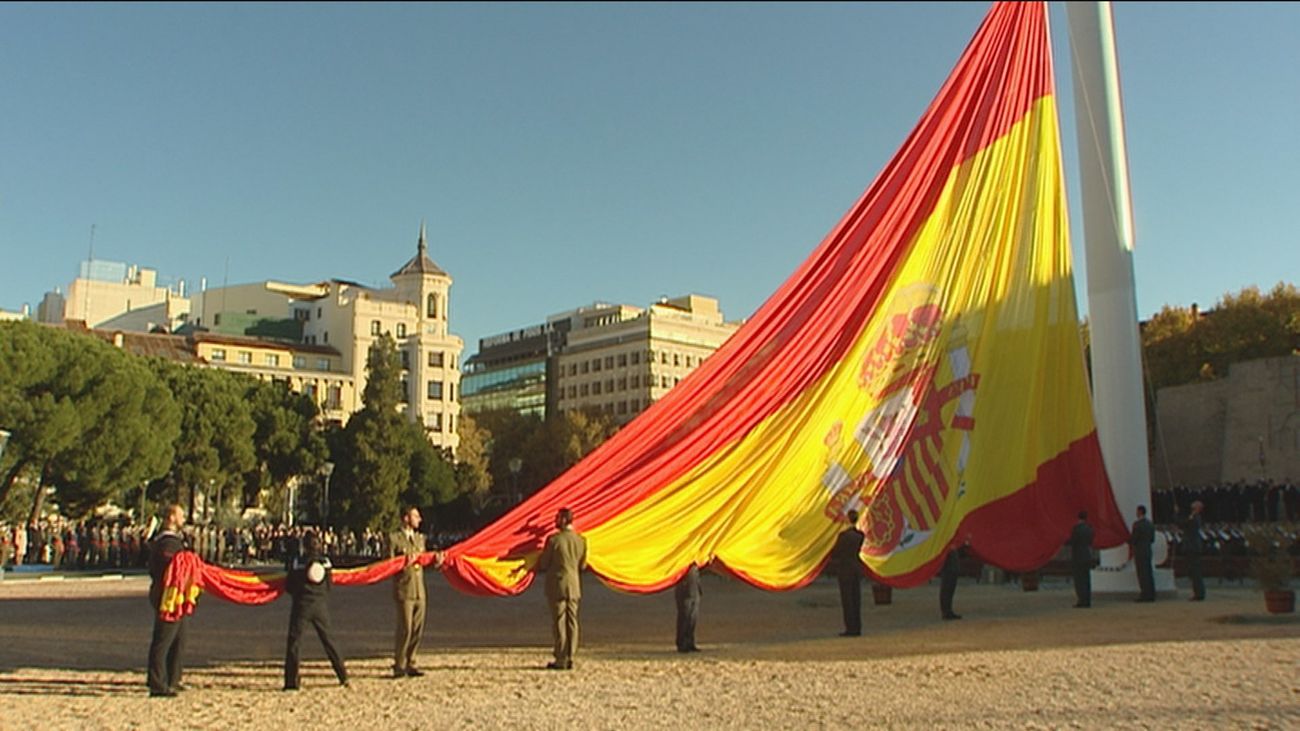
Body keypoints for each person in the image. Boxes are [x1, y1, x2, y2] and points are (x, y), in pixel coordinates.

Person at [284, 531, 348, 690]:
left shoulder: (297, 562)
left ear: (304, 546)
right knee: (329, 641)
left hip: (301, 605)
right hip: (320, 605)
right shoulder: (326, 562)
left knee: (295, 642)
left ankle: (291, 681)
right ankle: (343, 675)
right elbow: (329, 586)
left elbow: (289, 585)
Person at [536, 507, 587, 670]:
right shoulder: (581, 540)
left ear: (564, 520)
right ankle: (571, 656)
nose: (555, 521)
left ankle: (560, 657)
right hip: (574, 585)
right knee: (572, 622)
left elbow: (544, 563)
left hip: (557, 585)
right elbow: (583, 565)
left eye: (557, 518)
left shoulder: (553, 540)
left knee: (559, 622)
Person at [146, 504, 188, 698]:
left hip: (175, 595)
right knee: (163, 639)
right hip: (167, 595)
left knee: (178, 638)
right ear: (171, 517)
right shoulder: (166, 543)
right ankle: (157, 682)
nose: (183, 519)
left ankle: (173, 678)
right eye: (181, 515)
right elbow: (169, 566)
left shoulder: (174, 541)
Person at [390, 506, 428, 678]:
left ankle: (411, 661)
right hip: (404, 589)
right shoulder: (394, 539)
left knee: (417, 629)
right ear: (406, 518)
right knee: (405, 628)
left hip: (419, 590)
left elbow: (425, 560)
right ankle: (399, 664)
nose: (419, 519)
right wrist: (403, 563)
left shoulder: (420, 539)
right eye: (415, 516)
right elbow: (388, 565)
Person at [830, 510, 866, 636]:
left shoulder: (843, 536)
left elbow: (836, 552)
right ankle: (857, 627)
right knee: (856, 598)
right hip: (856, 568)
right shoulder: (860, 535)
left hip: (845, 569)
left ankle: (850, 628)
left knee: (847, 600)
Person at [1068, 511, 1095, 608]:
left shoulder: (1077, 529)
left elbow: (1072, 541)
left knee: (1079, 580)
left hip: (1078, 556)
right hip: (1087, 555)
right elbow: (1091, 541)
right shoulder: (1089, 529)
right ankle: (1087, 599)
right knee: (1086, 579)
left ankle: (1082, 600)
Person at [1130, 505, 1156, 602]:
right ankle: (1151, 593)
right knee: (1149, 572)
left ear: (1140, 512)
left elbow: (1134, 539)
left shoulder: (1137, 525)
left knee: (1142, 574)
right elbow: (1152, 539)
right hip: (1148, 550)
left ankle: (1145, 594)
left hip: (1140, 551)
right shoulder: (1150, 524)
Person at [674, 564, 702, 653]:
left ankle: (689, 642)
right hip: (686, 590)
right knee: (685, 616)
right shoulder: (683, 561)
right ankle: (682, 643)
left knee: (692, 616)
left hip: (693, 591)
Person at [1183, 500, 1206, 601]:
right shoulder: (1193, 517)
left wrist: (1176, 513)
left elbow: (1184, 525)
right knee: (1194, 571)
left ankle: (1199, 593)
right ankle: (1197, 592)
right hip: (1193, 546)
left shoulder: (1195, 517)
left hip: (1192, 547)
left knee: (1195, 571)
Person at [939, 545, 963, 620]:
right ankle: (946, 611)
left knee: (948, 589)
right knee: (947, 588)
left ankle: (947, 610)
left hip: (951, 568)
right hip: (949, 568)